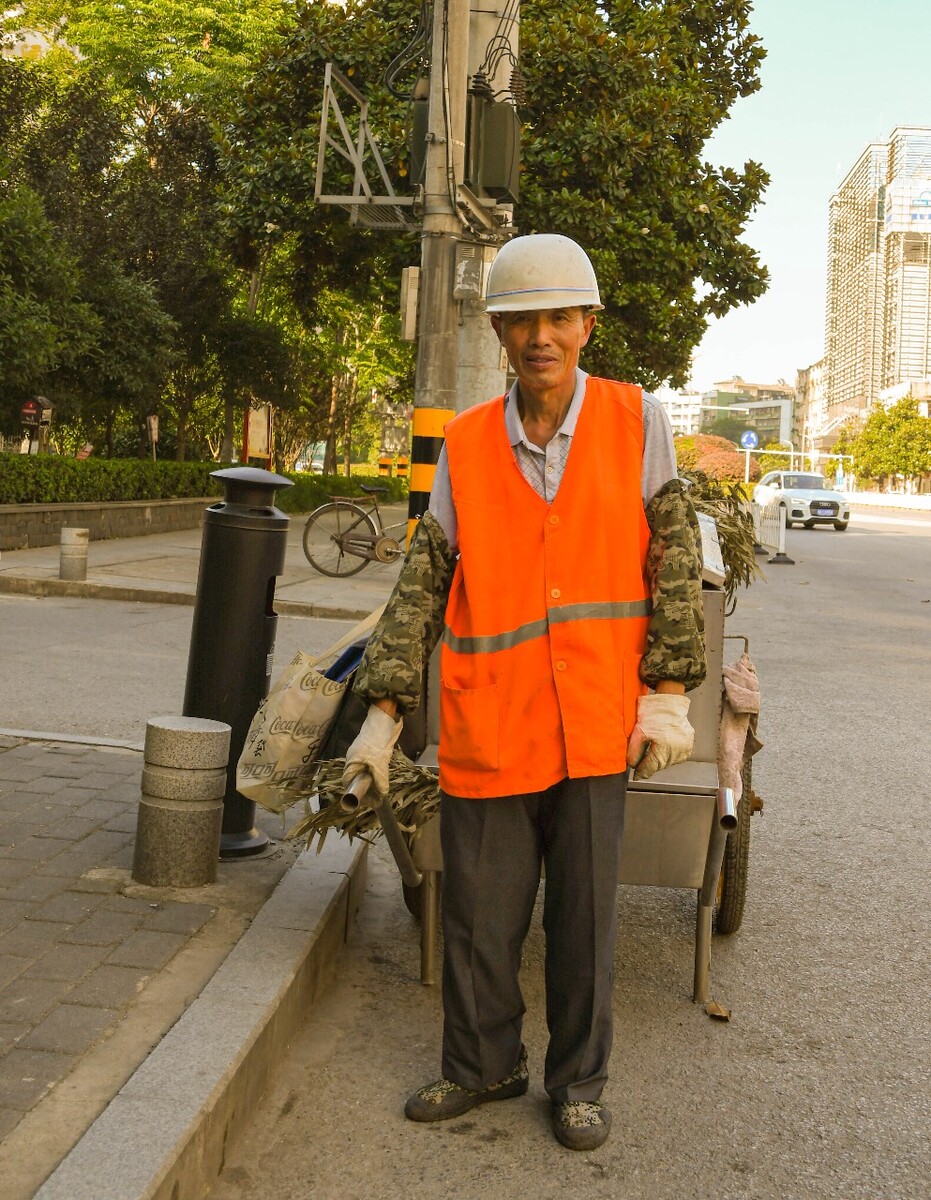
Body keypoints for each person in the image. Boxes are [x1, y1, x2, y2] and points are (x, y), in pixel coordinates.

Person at [341, 233, 706, 1152]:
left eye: (558, 317)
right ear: (499, 332)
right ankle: (481, 1066)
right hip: (490, 719)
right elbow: (425, 580)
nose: (541, 336)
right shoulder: (465, 441)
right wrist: (382, 717)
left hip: (593, 726)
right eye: (522, 321)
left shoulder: (635, 419)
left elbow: (672, 561)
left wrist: (667, 692)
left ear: (585, 325)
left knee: (583, 920)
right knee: (477, 918)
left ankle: (578, 1080)